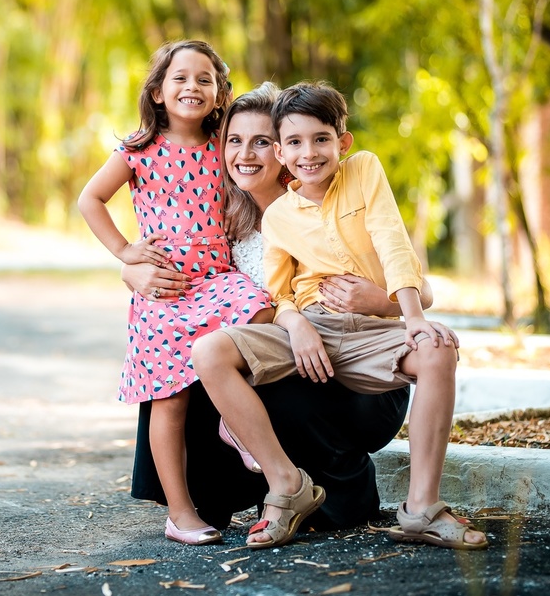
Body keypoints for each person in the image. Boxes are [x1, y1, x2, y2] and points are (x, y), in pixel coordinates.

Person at [192, 81, 488, 550]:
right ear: (282, 155)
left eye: (320, 139)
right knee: (209, 352)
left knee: (436, 351)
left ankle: (421, 510)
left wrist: (411, 319)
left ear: (342, 142)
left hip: (373, 332)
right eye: (294, 142)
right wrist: (299, 324)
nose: (308, 153)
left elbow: (393, 241)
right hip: (314, 329)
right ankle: (287, 486)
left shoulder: (364, 170)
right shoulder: (278, 218)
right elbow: (280, 292)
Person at [123, 82, 428, 533]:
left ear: (283, 151)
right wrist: (134, 272)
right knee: (184, 359)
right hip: (286, 362)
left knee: (250, 368)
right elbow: (177, 276)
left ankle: (330, 485)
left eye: (262, 141)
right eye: (235, 140)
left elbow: (422, 288)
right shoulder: (222, 219)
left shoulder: (323, 196)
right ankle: (204, 500)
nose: (246, 154)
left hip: (347, 369)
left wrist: (381, 300)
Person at [77, 40, 273, 545]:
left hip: (215, 279)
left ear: (219, 92)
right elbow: (90, 198)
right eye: (180, 78)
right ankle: (181, 513)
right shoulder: (138, 149)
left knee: (260, 310)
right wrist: (126, 254)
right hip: (163, 288)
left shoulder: (224, 144)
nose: (192, 87)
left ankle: (234, 423)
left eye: (204, 79)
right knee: (170, 401)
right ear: (159, 91)